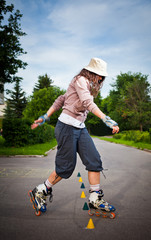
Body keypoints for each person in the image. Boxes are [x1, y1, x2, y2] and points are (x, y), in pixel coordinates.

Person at [30, 57, 119, 214]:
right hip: (66, 127)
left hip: (79, 127)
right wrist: (105, 118)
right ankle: (41, 190)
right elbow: (86, 103)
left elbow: (62, 98)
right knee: (65, 168)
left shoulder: (87, 86)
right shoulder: (80, 80)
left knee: (94, 160)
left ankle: (95, 198)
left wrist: (45, 116)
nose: (100, 78)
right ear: (92, 72)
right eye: (99, 75)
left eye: (102, 76)